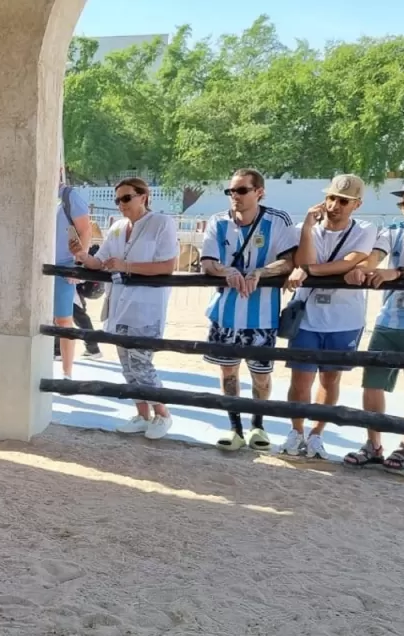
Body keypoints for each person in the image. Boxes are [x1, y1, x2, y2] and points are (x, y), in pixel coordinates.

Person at [199, 168, 298, 452]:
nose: (235, 196)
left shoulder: (278, 220)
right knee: (228, 372)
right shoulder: (217, 221)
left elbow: (288, 261)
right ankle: (234, 428)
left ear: (259, 192)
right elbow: (208, 262)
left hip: (262, 315)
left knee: (261, 373)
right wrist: (227, 271)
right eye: (231, 191)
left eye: (241, 190)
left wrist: (259, 273)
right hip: (224, 313)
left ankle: (258, 425)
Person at [72, 177, 178, 439]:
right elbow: (100, 262)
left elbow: (167, 266)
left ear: (144, 196)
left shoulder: (161, 224)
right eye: (118, 200)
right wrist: (83, 256)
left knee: (142, 364)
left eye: (126, 198)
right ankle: (142, 414)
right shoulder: (118, 227)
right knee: (127, 366)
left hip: (147, 308)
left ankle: (162, 414)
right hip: (119, 305)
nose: (121, 204)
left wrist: (126, 266)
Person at [280, 174, 376, 458]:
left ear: (356, 204)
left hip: (345, 319)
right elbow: (306, 261)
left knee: (330, 380)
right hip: (308, 316)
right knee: (300, 380)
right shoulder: (304, 228)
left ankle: (316, 434)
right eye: (331, 198)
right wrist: (308, 229)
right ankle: (296, 430)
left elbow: (346, 263)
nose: (335, 205)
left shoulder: (366, 229)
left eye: (343, 201)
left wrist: (309, 271)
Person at [341, 175, 404, 470]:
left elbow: (394, 269)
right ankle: (373, 444)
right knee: (372, 384)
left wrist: (396, 272)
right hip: (389, 319)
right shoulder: (395, 231)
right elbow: (375, 256)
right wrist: (362, 269)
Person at [54, 180, 93, 379]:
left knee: (64, 319)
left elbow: (85, 229)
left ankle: (67, 373)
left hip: (63, 266)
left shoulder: (69, 196)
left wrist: (78, 266)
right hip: (39, 266)